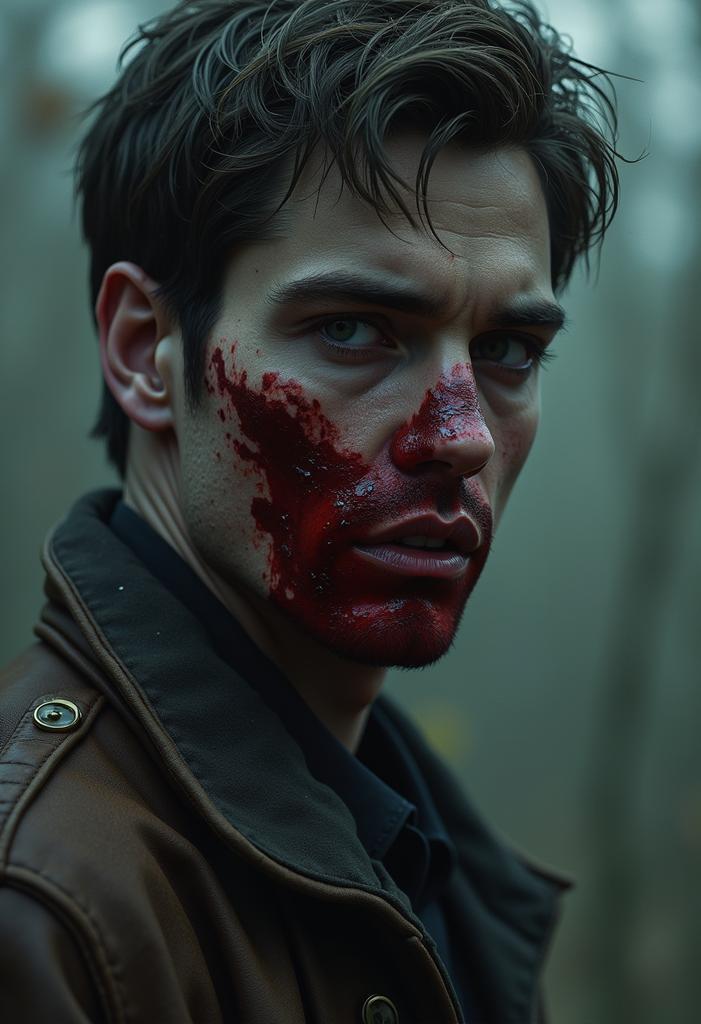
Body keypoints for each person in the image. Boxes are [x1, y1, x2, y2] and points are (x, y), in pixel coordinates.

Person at [0, 1, 620, 1021]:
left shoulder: (432, 858)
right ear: (144, 350)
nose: (461, 436)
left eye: (507, 350)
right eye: (353, 330)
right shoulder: (43, 902)